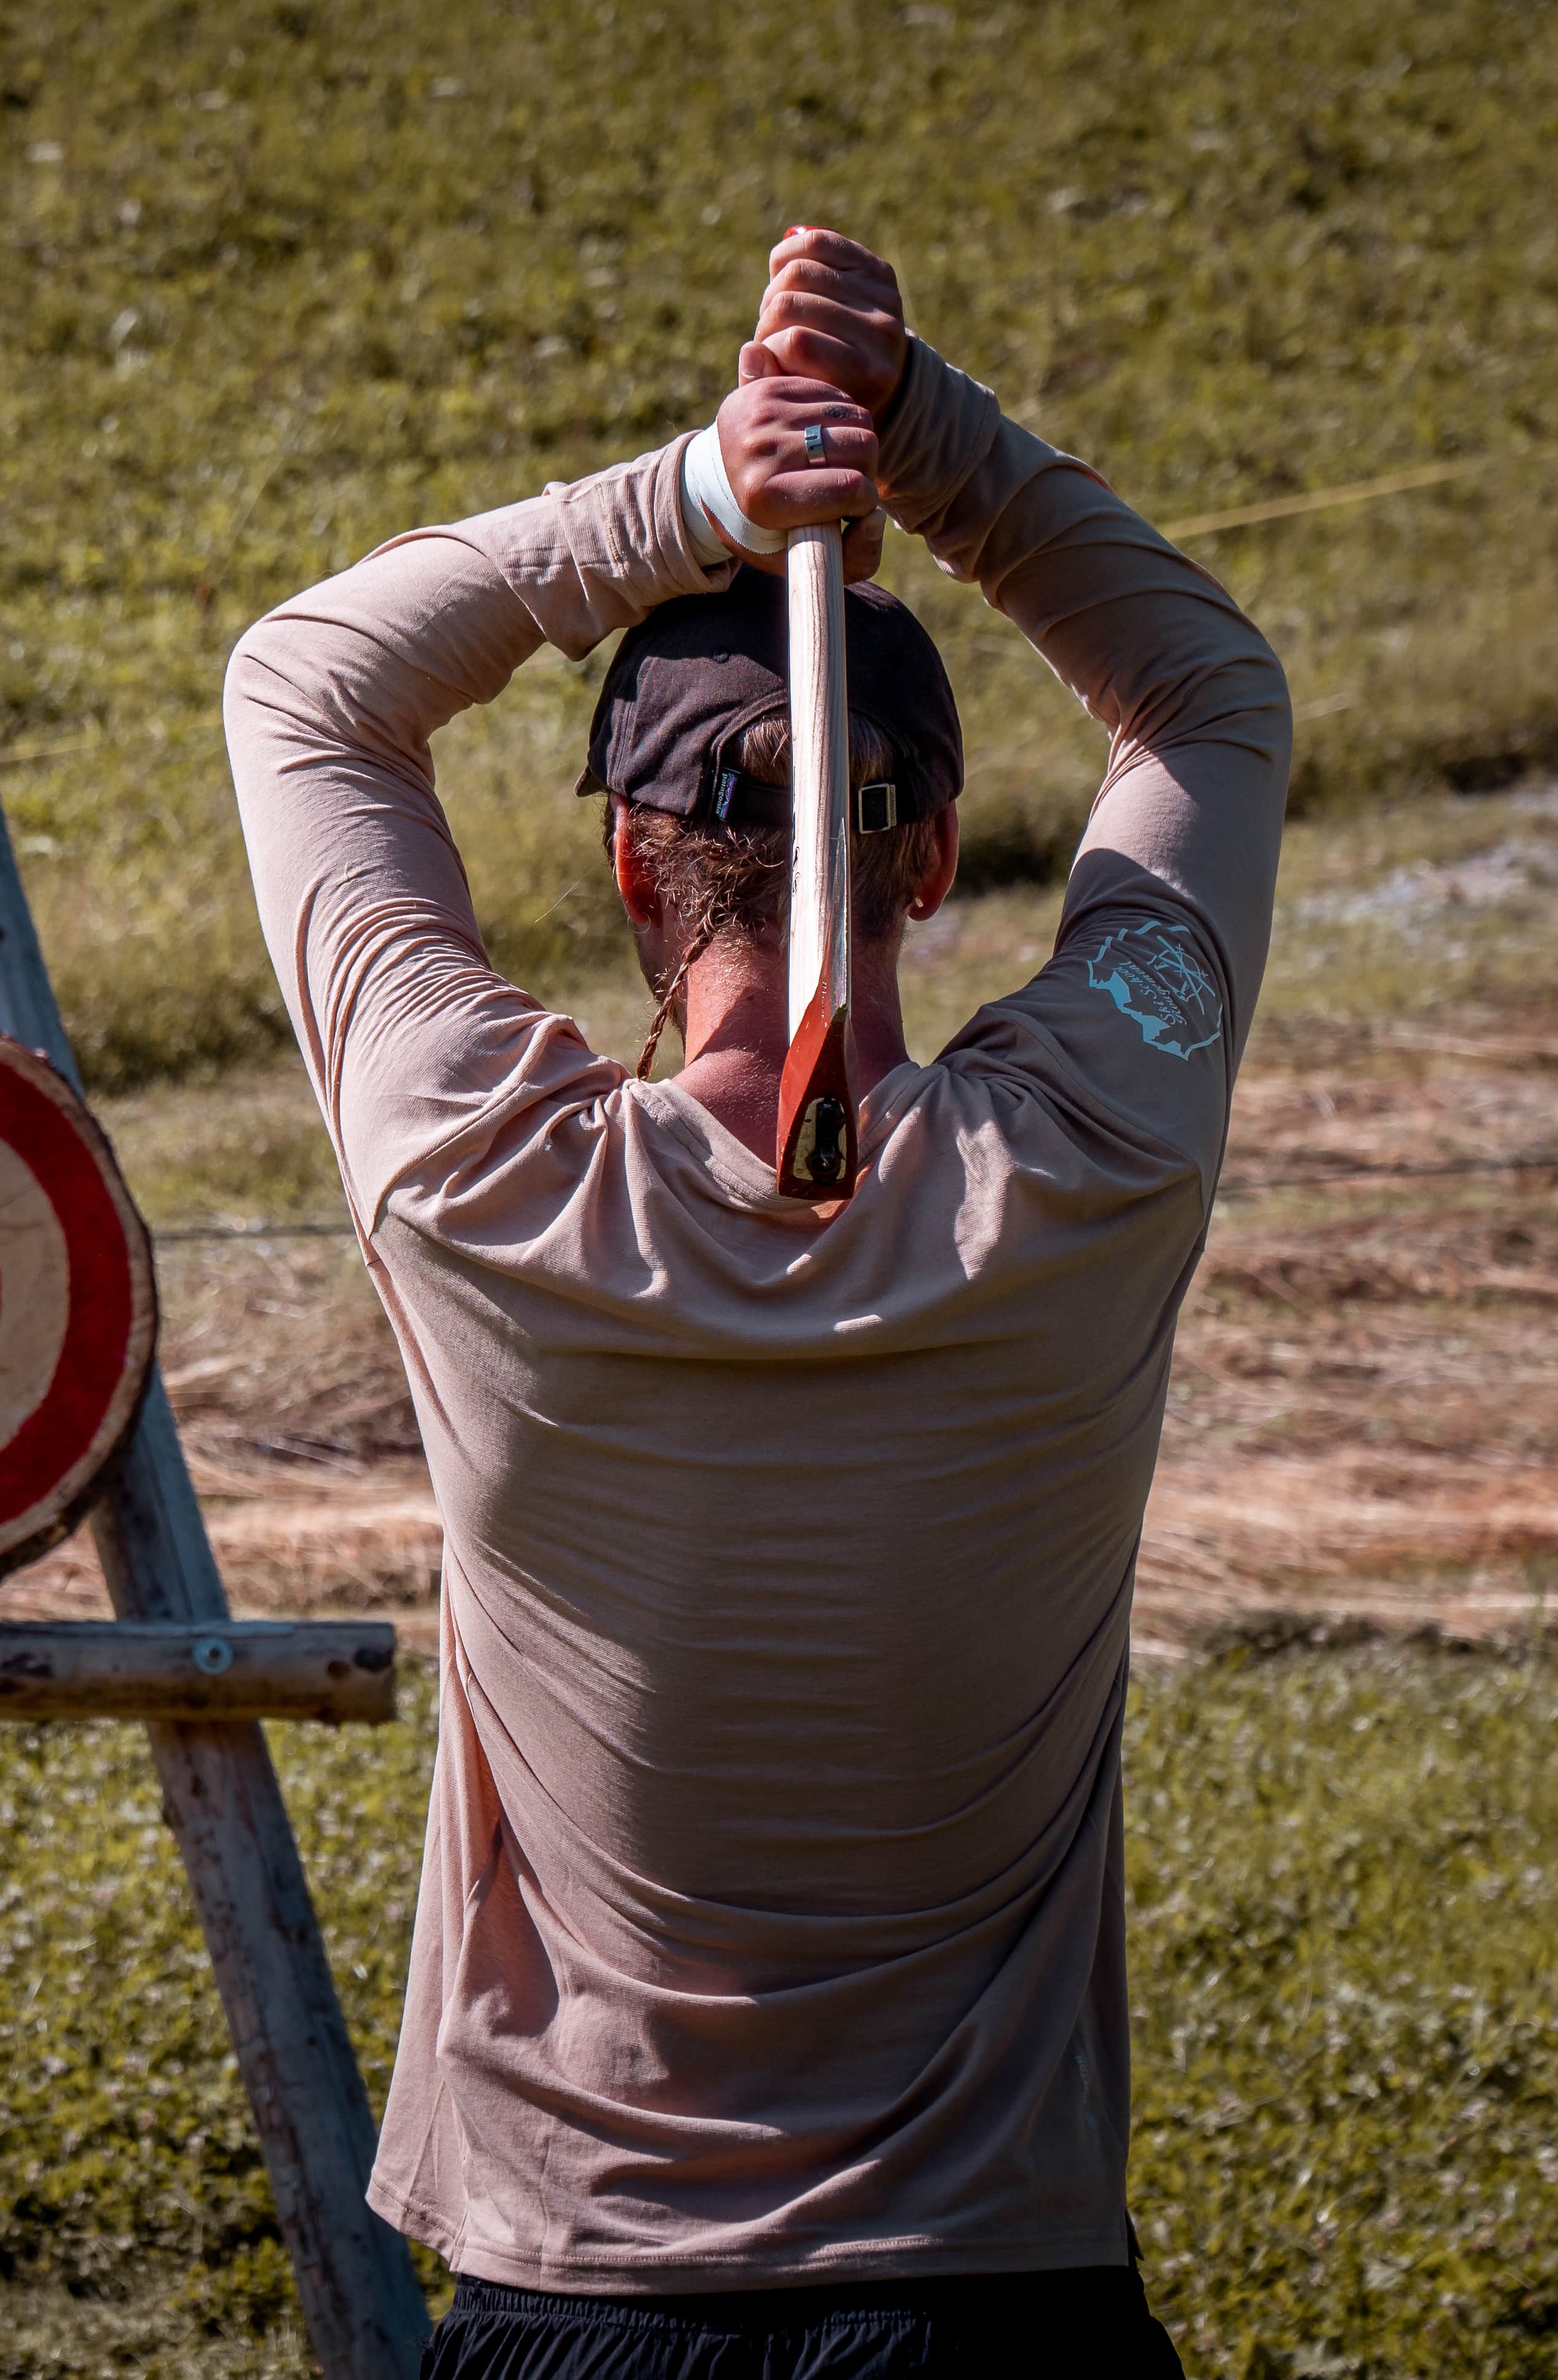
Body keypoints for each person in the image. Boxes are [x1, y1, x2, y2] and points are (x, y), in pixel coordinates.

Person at [222, 226, 1288, 2376]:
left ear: (627, 862)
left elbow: (311, 688)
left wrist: (708, 493)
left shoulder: (482, 1178)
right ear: (938, 855)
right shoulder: (1091, 1159)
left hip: (577, 2301)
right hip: (1004, 2306)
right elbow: (1207, 700)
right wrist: (924, 430)